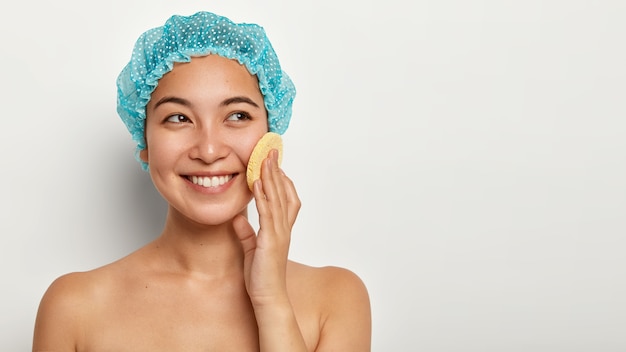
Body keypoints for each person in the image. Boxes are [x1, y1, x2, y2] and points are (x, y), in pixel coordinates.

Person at [32, 11, 371, 351]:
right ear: (144, 142)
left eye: (237, 116)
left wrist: (271, 300)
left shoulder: (337, 299)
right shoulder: (73, 309)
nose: (209, 151)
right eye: (178, 118)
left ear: (270, 140)